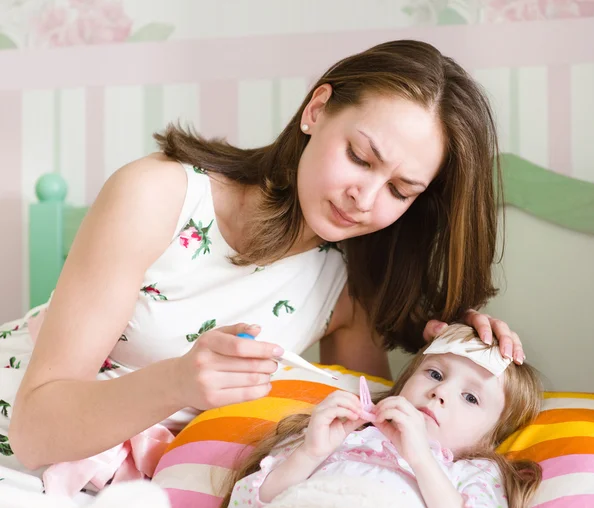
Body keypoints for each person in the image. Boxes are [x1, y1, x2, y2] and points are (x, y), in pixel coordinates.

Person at [1, 39, 523, 480]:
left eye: (400, 190)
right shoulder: (157, 197)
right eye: (360, 158)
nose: (364, 198)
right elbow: (32, 428)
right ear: (316, 110)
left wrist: (463, 358)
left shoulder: (350, 284)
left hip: (132, 483)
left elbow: (376, 430)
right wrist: (177, 383)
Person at [217, 324, 542, 508]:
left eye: (470, 398)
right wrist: (310, 452)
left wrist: (421, 458)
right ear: (403, 383)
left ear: (489, 440)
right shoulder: (343, 432)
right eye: (435, 374)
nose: (440, 391)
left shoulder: (473, 471)